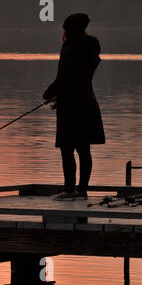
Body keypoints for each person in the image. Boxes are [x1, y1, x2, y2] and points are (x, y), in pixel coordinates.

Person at [42, 12, 105, 199]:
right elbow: (78, 77)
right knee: (84, 149)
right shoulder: (92, 47)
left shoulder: (69, 48)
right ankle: (83, 190)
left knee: (67, 149)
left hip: (70, 107)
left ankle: (69, 189)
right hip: (87, 102)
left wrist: (49, 94)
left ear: (68, 30)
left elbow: (63, 78)